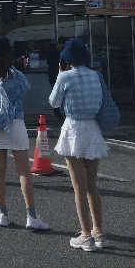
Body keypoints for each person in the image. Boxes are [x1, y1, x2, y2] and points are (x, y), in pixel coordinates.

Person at [0, 37, 49, 231]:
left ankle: (2, 214)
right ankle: (31, 216)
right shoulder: (15, 74)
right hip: (14, 123)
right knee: (23, 171)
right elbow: (26, 89)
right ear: (8, 54)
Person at [48, 38, 108, 252]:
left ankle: (85, 235)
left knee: (78, 187)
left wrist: (59, 75)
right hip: (93, 128)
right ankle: (98, 232)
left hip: (73, 129)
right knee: (92, 185)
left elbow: (53, 102)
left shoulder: (65, 76)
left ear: (67, 58)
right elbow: (101, 102)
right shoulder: (96, 75)